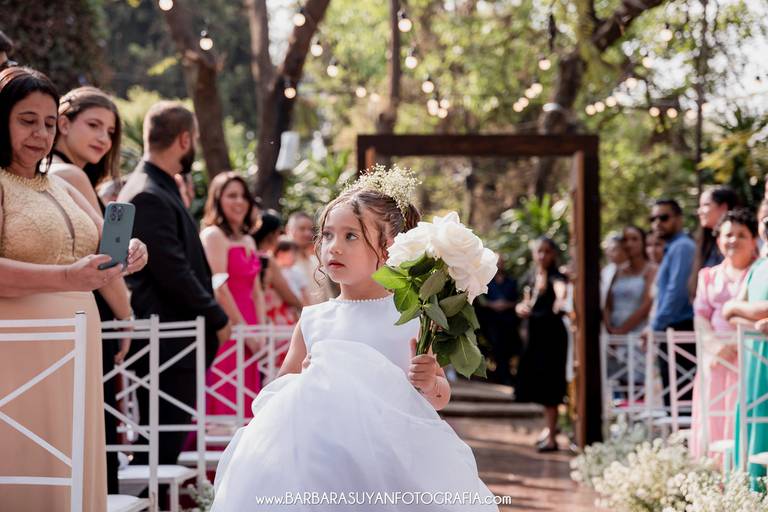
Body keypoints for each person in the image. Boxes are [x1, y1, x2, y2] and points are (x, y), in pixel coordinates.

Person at [211, 168, 498, 511]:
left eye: (351, 236)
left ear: (388, 247)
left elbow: (438, 398)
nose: (334, 247)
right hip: (323, 467)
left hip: (394, 465)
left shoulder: (412, 318)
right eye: (327, 235)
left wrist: (429, 382)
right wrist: (301, 380)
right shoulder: (315, 319)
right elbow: (278, 389)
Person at [0, 66, 147, 511]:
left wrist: (131, 250)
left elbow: (103, 243)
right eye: (27, 121)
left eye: (49, 123)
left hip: (77, 348)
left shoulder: (60, 184)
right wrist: (65, 278)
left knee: (74, 462)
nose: (40, 135)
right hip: (20, 353)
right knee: (29, 460)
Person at [118, 101, 230, 465]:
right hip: (168, 342)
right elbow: (173, 270)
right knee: (159, 454)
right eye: (194, 138)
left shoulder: (156, 186)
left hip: (171, 341)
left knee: (162, 451)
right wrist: (218, 317)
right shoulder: (148, 192)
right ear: (184, 139)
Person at [49, 85, 132, 494]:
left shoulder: (50, 174)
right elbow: (108, 258)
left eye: (110, 131)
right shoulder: (69, 174)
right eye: (94, 125)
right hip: (86, 311)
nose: (103, 138)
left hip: (63, 313)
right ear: (63, 123)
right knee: (94, 428)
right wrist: (127, 316)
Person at [689, 209, 757, 461]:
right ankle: (714, 472)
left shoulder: (759, 273)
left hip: (751, 357)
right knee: (713, 417)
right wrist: (716, 346)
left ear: (754, 240)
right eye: (728, 235)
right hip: (716, 359)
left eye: (741, 235)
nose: (733, 240)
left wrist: (738, 344)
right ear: (718, 240)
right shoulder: (708, 276)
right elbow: (700, 316)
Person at [200, 172, 267, 416]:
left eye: (243, 196)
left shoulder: (249, 240)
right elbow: (219, 287)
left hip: (251, 326)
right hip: (227, 325)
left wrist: (260, 330)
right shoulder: (213, 235)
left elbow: (257, 291)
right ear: (218, 199)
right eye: (231, 195)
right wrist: (244, 331)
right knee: (225, 394)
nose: (239, 201)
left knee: (248, 398)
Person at [723, 208, 768, 487]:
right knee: (752, 416)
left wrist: (743, 310)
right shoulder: (758, 268)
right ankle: (751, 492)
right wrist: (756, 320)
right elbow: (728, 311)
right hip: (755, 363)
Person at [515, 237, 569, 452]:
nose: (542, 256)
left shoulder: (557, 275)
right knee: (538, 385)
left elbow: (560, 289)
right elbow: (524, 300)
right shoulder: (531, 276)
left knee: (551, 387)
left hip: (551, 337)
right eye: (539, 251)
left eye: (547, 251)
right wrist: (520, 308)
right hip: (534, 337)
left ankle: (552, 437)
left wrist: (560, 300)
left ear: (553, 254)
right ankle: (549, 429)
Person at [649, 199, 696, 409]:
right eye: (653, 219)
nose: (657, 223)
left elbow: (676, 293)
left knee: (681, 402)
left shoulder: (682, 247)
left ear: (678, 219)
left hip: (681, 330)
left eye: (664, 217)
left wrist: (655, 326)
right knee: (673, 400)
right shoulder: (673, 248)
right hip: (671, 330)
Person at [253, 211, 304, 325]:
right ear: (272, 234)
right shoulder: (267, 260)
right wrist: (304, 308)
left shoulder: (250, 255)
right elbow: (287, 295)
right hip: (276, 320)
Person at [476, 253, 520, 386]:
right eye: (496, 262)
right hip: (491, 322)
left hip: (508, 322)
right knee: (496, 347)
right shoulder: (486, 282)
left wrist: (505, 305)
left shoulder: (512, 282)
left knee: (507, 348)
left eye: (500, 262)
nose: (499, 264)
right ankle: (499, 376)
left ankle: (504, 376)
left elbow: (517, 301)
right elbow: (481, 302)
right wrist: (493, 305)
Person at [689, 186, 738, 296]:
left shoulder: (737, 244)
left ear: (723, 207)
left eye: (705, 205)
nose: (699, 211)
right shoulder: (706, 244)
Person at [286, 211, 337, 304]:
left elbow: (328, 298)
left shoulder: (318, 264)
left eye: (310, 229)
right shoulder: (282, 265)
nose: (308, 233)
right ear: (288, 230)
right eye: (302, 229)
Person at [274, 237, 311, 305]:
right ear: (281, 254)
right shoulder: (275, 273)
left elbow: (304, 292)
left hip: (299, 306)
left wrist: (307, 307)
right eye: (293, 254)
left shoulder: (296, 271)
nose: (295, 257)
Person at [600, 233, 627, 308]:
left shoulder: (631, 270)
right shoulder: (606, 271)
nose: (608, 253)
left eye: (613, 249)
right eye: (607, 249)